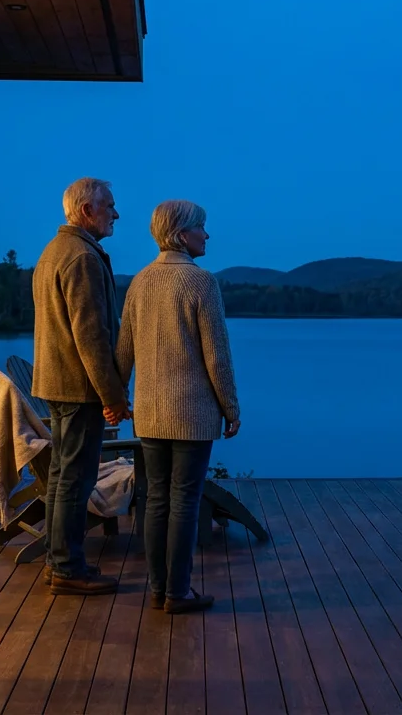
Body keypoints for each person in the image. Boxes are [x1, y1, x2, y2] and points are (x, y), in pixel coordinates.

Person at [116, 199, 240, 614]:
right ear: (182, 233)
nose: (207, 235)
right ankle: (178, 592)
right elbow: (217, 357)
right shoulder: (201, 283)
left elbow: (123, 351)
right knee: (185, 500)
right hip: (192, 414)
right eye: (202, 227)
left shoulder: (139, 282)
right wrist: (232, 408)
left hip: (150, 413)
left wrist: (116, 397)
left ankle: (157, 588)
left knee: (155, 500)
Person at [31, 177, 130, 595]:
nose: (116, 213)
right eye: (109, 205)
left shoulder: (54, 251)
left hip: (57, 383)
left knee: (62, 477)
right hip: (77, 388)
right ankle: (68, 568)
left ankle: (59, 563)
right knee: (75, 479)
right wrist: (113, 398)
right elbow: (91, 337)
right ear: (87, 210)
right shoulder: (82, 259)